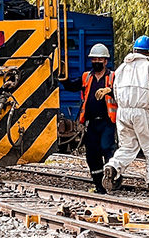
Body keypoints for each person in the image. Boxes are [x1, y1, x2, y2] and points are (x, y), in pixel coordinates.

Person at [103, 35, 149, 191]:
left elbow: (115, 91)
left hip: (123, 112)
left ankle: (113, 166)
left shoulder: (122, 68)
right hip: (141, 112)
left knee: (127, 146)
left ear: (134, 50)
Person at [60, 44, 116, 192]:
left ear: (105, 61)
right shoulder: (87, 77)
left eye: (99, 59)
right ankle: (99, 184)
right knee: (92, 153)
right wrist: (63, 75)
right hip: (92, 123)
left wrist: (110, 91)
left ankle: (112, 177)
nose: (96, 61)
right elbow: (71, 86)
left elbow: (123, 94)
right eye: (94, 59)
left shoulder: (113, 77)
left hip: (108, 122)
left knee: (107, 148)